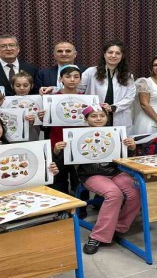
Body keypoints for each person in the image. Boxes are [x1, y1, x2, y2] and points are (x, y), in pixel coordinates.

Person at [54, 106, 139, 254]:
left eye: (102, 115)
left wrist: (131, 148)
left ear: (107, 118)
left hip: (116, 172)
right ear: (85, 119)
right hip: (91, 175)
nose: (98, 118)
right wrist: (57, 151)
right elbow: (62, 164)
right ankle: (98, 236)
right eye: (93, 116)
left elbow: (127, 159)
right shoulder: (75, 136)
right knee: (114, 194)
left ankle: (118, 227)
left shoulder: (116, 134)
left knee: (136, 192)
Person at [38, 65, 82, 194]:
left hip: (78, 142)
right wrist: (41, 117)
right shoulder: (51, 99)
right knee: (59, 177)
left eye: (76, 77)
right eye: (68, 76)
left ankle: (81, 203)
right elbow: (45, 123)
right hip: (57, 141)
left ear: (80, 80)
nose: (72, 79)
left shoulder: (86, 98)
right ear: (60, 79)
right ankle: (62, 203)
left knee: (78, 177)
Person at [78, 40, 136, 129]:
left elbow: (130, 97)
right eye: (110, 52)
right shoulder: (91, 72)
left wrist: (113, 107)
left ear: (122, 56)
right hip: (95, 115)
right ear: (104, 54)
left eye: (117, 53)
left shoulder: (128, 76)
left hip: (118, 115)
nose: (113, 55)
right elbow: (78, 89)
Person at [10, 71, 41, 142]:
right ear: (12, 86)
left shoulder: (37, 100)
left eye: (25, 85)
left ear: (31, 86)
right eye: (18, 85)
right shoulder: (7, 102)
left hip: (33, 133)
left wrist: (40, 117)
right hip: (13, 134)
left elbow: (41, 121)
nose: (22, 88)